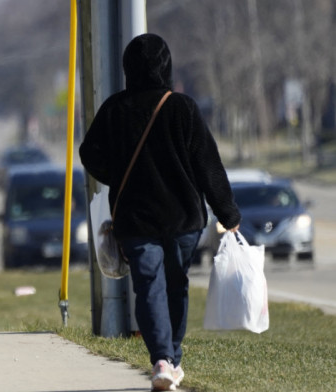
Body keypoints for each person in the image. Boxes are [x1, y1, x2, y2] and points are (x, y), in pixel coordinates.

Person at [79, 33, 241, 391]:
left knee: (149, 285)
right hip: (183, 218)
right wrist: (227, 212)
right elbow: (207, 165)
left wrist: (117, 175)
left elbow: (89, 154)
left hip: (136, 220)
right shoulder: (182, 108)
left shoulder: (115, 108)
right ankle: (171, 358)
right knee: (175, 285)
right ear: (166, 65)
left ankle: (164, 360)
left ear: (128, 67)